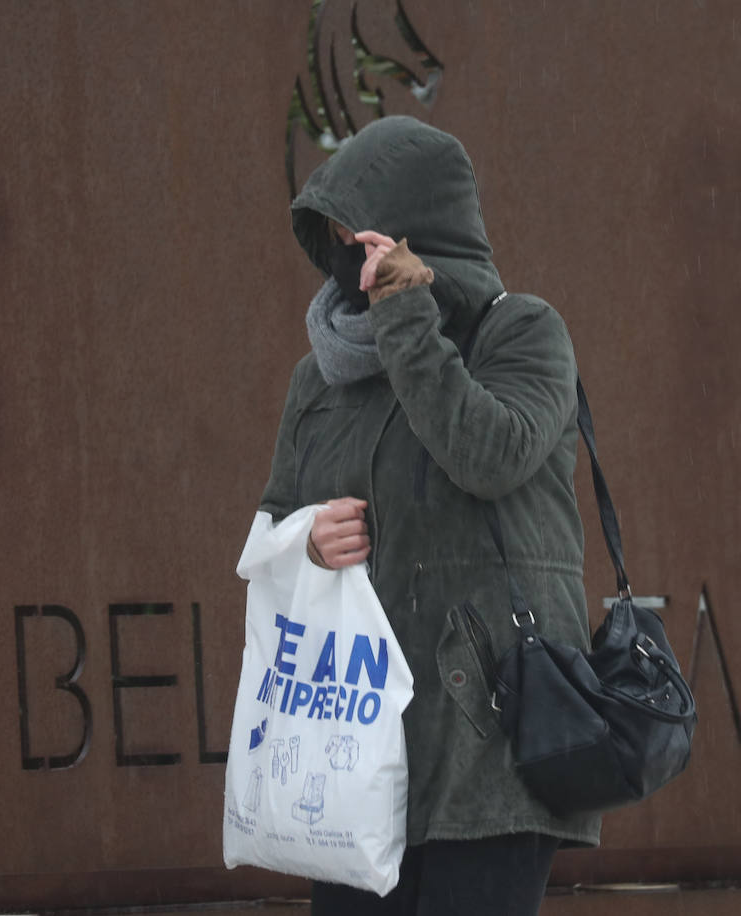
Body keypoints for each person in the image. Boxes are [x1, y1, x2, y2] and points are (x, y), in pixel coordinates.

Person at [258, 116, 600, 915]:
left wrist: (408, 316)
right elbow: (273, 521)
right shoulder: (320, 380)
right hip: (353, 748)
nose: (352, 260)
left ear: (417, 237)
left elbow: (488, 454)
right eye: (339, 239)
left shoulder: (520, 332)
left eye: (366, 237)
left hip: (488, 746)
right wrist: (303, 540)